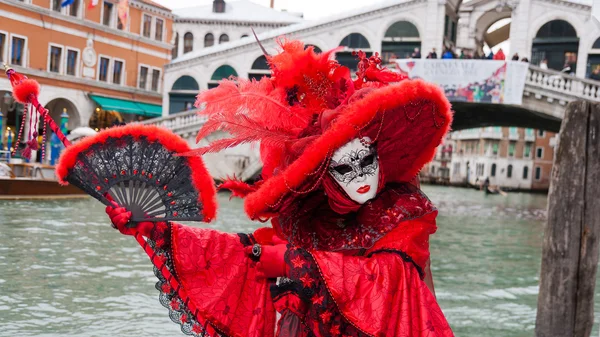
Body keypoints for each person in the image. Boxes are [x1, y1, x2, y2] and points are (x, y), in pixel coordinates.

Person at [106, 40, 455, 337]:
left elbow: (390, 285)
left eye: (366, 161)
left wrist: (293, 262)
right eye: (344, 168)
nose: (360, 176)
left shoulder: (401, 212)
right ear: (324, 176)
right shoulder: (308, 218)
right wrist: (155, 228)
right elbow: (240, 259)